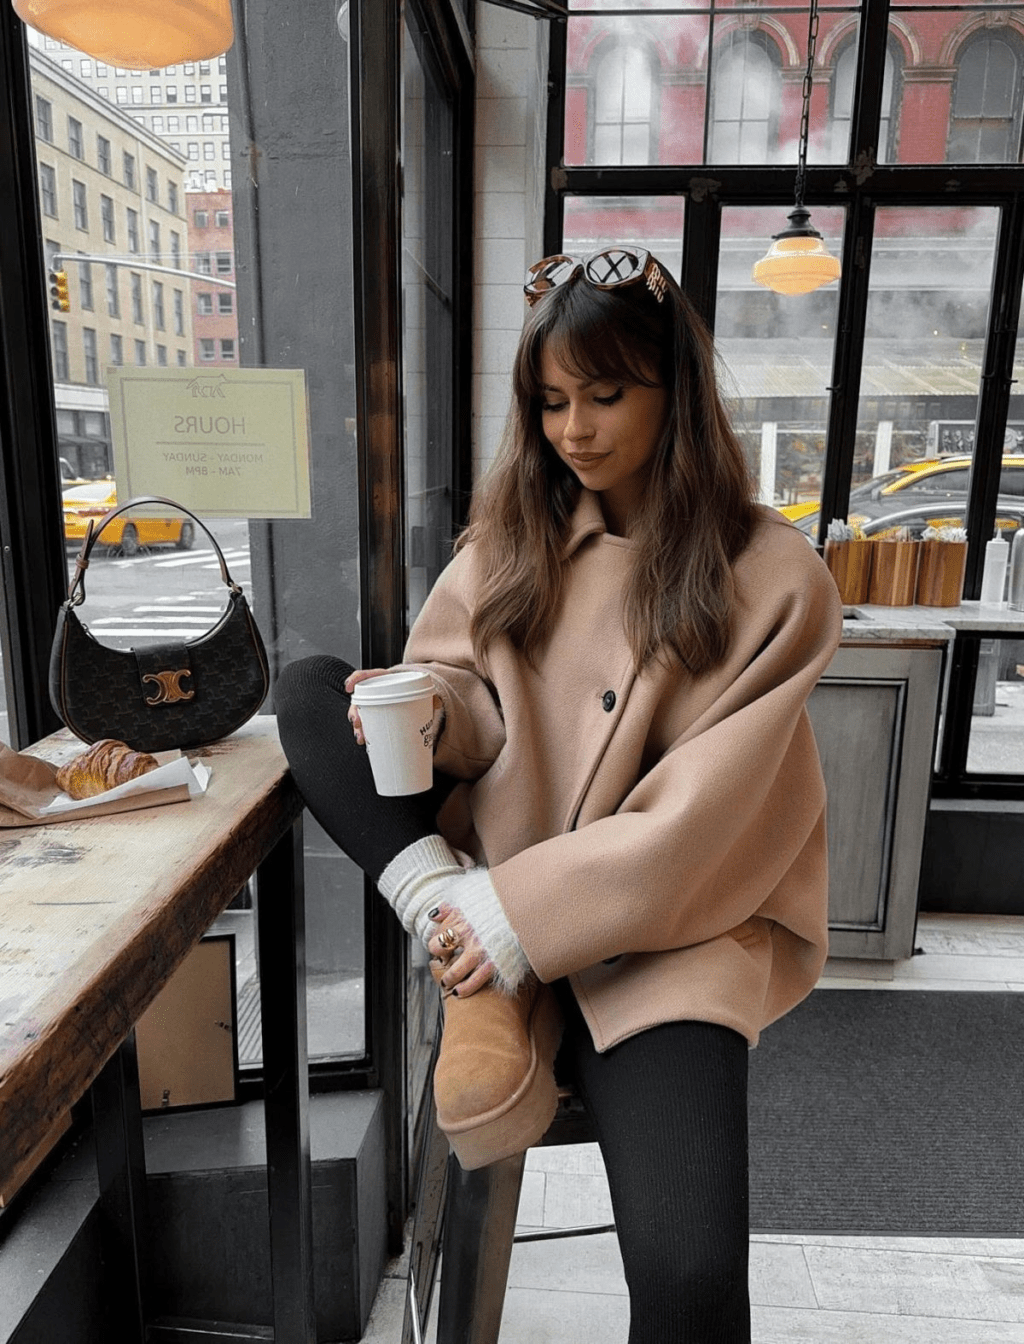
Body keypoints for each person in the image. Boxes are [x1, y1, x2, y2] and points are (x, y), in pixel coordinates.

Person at [276, 245, 843, 1342]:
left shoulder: (776, 579)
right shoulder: (507, 543)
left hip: (671, 942)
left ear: (674, 390)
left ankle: (478, 943)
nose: (573, 428)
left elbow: (705, 820)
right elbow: (481, 706)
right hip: (497, 899)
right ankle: (458, 937)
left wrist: (522, 913)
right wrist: (432, 709)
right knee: (308, 695)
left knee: (689, 1278)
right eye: (549, 401)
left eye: (605, 394)